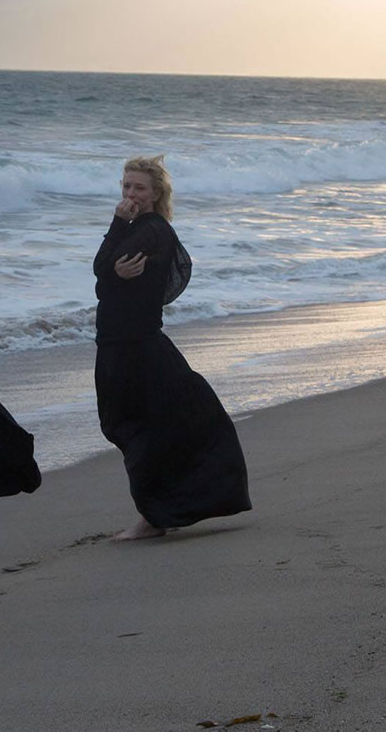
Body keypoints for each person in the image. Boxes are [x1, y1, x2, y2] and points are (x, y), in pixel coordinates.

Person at [92, 155, 251, 540]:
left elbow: (101, 269)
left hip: (137, 348)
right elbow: (103, 277)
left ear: (156, 193)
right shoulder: (137, 229)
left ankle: (154, 518)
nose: (130, 194)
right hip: (120, 346)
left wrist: (113, 245)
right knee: (130, 427)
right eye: (126, 186)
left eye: (139, 187)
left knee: (141, 430)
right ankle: (160, 512)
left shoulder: (153, 231)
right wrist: (111, 272)